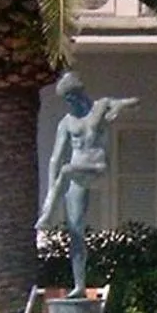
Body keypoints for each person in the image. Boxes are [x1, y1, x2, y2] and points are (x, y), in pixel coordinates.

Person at [37, 72, 141, 295]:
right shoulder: (66, 122)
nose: (70, 103)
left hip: (96, 168)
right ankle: (79, 285)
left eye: (72, 97)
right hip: (75, 175)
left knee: (66, 171)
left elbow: (133, 102)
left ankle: (47, 213)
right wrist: (49, 189)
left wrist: (117, 109)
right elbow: (55, 157)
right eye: (67, 100)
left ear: (79, 93)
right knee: (75, 231)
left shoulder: (100, 107)